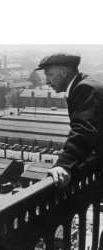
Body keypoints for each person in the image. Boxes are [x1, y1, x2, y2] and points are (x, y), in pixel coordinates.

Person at [35, 53, 103, 187]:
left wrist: (63, 165)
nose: (47, 82)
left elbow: (84, 130)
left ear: (64, 73)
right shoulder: (87, 83)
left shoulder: (84, 89)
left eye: (50, 75)